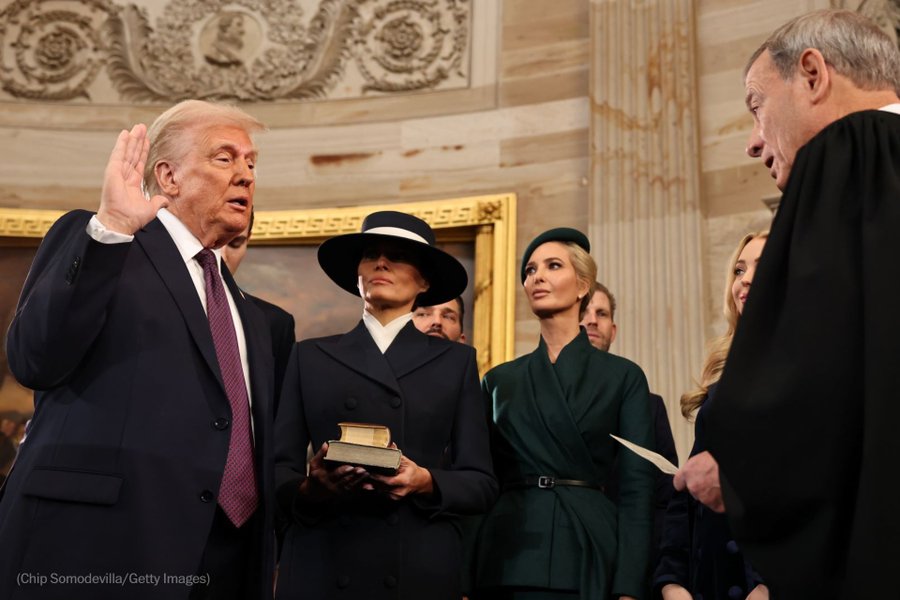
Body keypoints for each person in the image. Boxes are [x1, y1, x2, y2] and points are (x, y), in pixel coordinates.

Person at [1, 100, 276, 600]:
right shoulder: (105, 243)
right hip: (100, 547)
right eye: (225, 158)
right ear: (168, 176)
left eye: (252, 163)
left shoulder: (250, 314)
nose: (245, 176)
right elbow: (34, 359)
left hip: (224, 560)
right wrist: (110, 229)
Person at [676, 9, 900, 597]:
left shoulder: (854, 147)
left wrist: (746, 466)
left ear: (812, 74)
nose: (753, 142)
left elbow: (826, 348)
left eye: (756, 105)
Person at [274, 210, 497, 599]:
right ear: (357, 274)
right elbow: (277, 471)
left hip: (416, 564)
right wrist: (313, 488)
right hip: (325, 561)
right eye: (371, 254)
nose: (381, 262)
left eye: (397, 255)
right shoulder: (308, 357)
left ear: (424, 280)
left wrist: (424, 480)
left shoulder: (456, 362)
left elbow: (481, 484)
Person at [469, 228, 654, 600]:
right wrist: (463, 577)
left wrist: (630, 587)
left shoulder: (624, 376)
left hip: (589, 551)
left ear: (583, 285)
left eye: (553, 266)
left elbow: (638, 490)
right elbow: (479, 483)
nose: (537, 276)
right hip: (507, 555)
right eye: (530, 270)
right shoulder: (498, 380)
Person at [655, 232, 769, 600]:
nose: (745, 279)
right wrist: (672, 582)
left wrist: (770, 583)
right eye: (739, 269)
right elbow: (686, 495)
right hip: (709, 583)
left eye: (760, 266)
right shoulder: (723, 377)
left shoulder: (811, 368)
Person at [581, 282, 678, 580]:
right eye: (584, 311)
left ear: (614, 330)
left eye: (602, 313)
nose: (593, 320)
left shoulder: (650, 407)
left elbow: (666, 498)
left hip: (633, 561)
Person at [223, 210, 296, 406]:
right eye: (215, 241)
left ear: (248, 240)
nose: (221, 255)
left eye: (235, 243)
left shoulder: (275, 323)